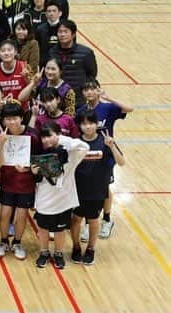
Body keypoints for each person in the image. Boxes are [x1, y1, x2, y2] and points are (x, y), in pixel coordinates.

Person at [77, 79, 133, 239]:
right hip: (88, 153)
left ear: (98, 90)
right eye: (86, 89)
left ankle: (107, 219)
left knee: (105, 186)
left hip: (106, 151)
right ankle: (89, 223)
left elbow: (130, 108)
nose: (89, 92)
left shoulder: (107, 108)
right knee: (89, 187)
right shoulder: (81, 111)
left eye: (93, 89)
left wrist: (109, 98)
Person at [71, 110, 125, 265]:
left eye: (90, 123)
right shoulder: (76, 143)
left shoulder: (105, 142)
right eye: (84, 124)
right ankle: (75, 247)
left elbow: (121, 162)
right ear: (80, 126)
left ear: (97, 124)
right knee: (75, 220)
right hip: (77, 189)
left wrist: (112, 146)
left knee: (93, 221)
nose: (87, 127)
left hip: (97, 190)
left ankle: (90, 249)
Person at [32, 123, 89, 269]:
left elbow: (84, 147)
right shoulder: (40, 154)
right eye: (44, 137)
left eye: (50, 135)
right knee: (43, 229)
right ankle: (44, 252)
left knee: (60, 230)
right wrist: (34, 172)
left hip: (63, 200)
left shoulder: (71, 154)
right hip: (44, 199)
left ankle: (58, 253)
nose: (46, 140)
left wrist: (61, 140)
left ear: (59, 134)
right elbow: (36, 179)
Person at [0, 102, 39, 261]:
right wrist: (1, 143)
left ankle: (18, 243)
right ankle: (4, 242)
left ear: (21, 118)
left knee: (21, 215)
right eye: (8, 119)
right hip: (7, 182)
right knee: (4, 215)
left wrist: (28, 169)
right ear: (4, 120)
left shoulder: (32, 136)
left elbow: (38, 160)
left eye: (15, 118)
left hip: (26, 184)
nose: (12, 122)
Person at [49, 20, 97, 107]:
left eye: (65, 31)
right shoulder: (52, 52)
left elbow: (92, 75)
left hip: (78, 101)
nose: (62, 34)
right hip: (57, 102)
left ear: (73, 34)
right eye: (60, 32)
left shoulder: (86, 53)